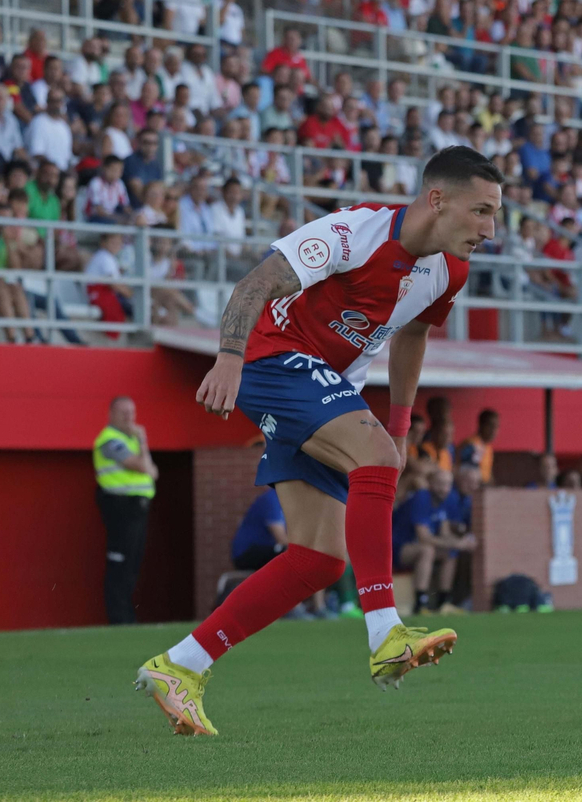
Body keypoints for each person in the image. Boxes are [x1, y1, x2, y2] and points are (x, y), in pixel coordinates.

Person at [135, 146, 502, 736]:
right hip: (272, 361)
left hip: (327, 385)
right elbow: (257, 282)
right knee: (374, 458)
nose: (490, 229)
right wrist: (229, 357)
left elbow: (412, 338)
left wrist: (402, 429)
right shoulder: (354, 233)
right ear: (437, 200)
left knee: (319, 558)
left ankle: (181, 665)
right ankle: (385, 632)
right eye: (481, 211)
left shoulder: (449, 270)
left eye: (495, 214)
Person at [94, 396, 159, 625]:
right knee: (120, 564)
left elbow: (153, 473)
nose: (129, 418)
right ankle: (119, 618)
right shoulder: (111, 440)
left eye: (132, 413)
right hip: (120, 507)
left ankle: (126, 617)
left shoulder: (129, 440)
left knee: (132, 563)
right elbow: (143, 466)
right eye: (124, 413)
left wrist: (141, 447)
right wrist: (142, 441)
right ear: (111, 414)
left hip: (136, 509)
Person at [392, 462, 448, 616]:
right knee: (427, 550)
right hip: (395, 548)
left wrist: (458, 543)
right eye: (440, 483)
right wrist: (459, 543)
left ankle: (443, 601)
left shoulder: (442, 500)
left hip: (412, 548)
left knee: (449, 552)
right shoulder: (422, 496)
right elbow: (423, 537)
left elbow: (444, 533)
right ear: (430, 483)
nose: (444, 488)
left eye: (448, 484)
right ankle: (420, 603)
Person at [433, 457, 482, 614]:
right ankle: (444, 600)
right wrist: (460, 538)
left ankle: (465, 599)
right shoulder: (450, 495)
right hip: (436, 541)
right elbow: (446, 527)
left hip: (454, 542)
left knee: (474, 554)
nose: (473, 486)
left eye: (476, 482)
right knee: (453, 552)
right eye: (469, 481)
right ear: (460, 479)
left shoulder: (470, 499)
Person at [230, 488, 288, 571]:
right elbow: (282, 539)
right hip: (246, 552)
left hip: (263, 549)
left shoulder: (283, 499)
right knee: (287, 554)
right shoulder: (272, 498)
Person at [456, 409, 498, 484]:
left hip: (485, 488)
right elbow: (467, 471)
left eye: (496, 427)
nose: (493, 430)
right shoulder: (472, 444)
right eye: (490, 426)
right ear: (481, 425)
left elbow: (488, 476)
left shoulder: (488, 447)